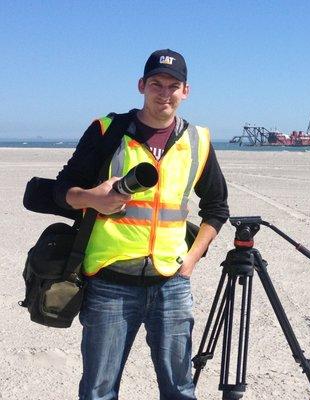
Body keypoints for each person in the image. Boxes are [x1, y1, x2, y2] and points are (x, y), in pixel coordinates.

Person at [54, 49, 229, 400]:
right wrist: (93, 198)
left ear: (186, 91)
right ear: (141, 86)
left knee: (180, 388)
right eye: (156, 84)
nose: (164, 93)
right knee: (99, 390)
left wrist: (191, 260)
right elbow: (61, 190)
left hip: (171, 284)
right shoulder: (107, 130)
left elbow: (217, 208)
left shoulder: (198, 140)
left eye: (173, 86)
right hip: (109, 283)